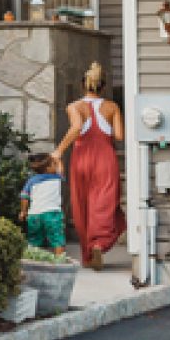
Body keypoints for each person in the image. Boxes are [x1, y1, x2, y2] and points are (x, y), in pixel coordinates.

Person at [53, 61, 128, 270]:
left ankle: (88, 254)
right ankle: (99, 242)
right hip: (105, 158)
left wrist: (59, 151)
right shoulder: (112, 107)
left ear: (82, 85)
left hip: (81, 158)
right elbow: (120, 136)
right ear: (103, 86)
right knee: (104, 201)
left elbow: (77, 127)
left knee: (82, 203)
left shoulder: (74, 107)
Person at [19, 152, 67, 258]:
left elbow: (24, 197)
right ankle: (60, 261)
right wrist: (58, 159)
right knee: (57, 238)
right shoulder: (56, 177)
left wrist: (23, 211)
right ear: (49, 168)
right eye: (54, 164)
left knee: (34, 240)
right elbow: (61, 170)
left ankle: (33, 262)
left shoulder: (31, 181)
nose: (56, 165)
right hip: (52, 213)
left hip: (34, 215)